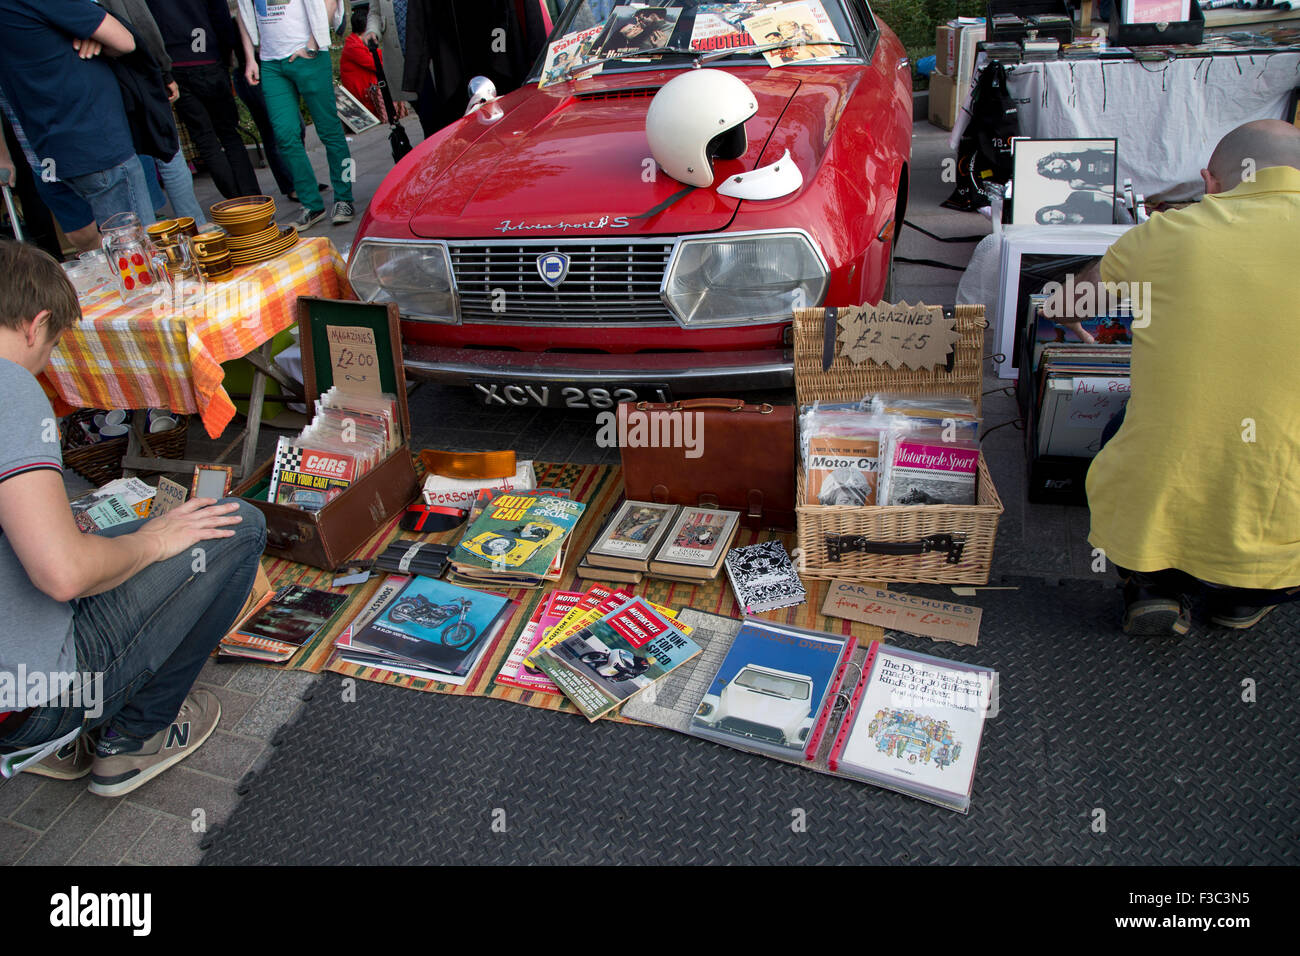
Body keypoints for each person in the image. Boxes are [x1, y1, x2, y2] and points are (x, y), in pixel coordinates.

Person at [0, 240, 266, 794]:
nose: (43, 364)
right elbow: (63, 574)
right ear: (35, 325)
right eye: (50, 349)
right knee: (233, 523)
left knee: (116, 535)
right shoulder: (8, 385)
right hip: (28, 701)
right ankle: (132, 739)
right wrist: (155, 541)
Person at [1084, 120, 1300, 635]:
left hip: (1163, 490)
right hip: (1283, 518)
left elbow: (1075, 299)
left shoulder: (1169, 232)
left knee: (1121, 428)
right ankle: (1246, 598)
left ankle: (1155, 587)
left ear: (1212, 181)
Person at [0, 0, 156, 227]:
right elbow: (124, 41)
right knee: (132, 246)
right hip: (95, 142)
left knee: (118, 242)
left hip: (54, 146)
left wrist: (88, 35)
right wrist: (95, 36)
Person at [233, 0, 355, 230]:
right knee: (284, 135)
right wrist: (250, 58)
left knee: (330, 131)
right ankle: (311, 203)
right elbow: (244, 12)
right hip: (271, 63)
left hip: (310, 55)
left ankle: (345, 197)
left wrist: (312, 43)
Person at [145, 0, 263, 200]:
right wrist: (226, 58)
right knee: (229, 135)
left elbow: (148, 26)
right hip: (209, 59)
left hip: (176, 65)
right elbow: (222, 19)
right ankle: (252, 197)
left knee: (206, 140)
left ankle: (235, 202)